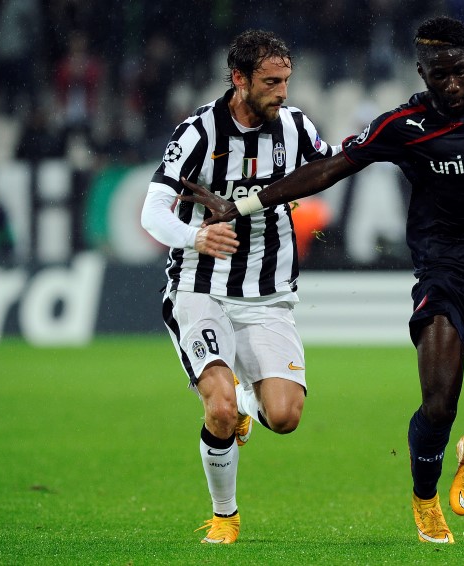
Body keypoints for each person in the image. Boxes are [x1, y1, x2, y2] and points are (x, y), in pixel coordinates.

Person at [180, 16, 464, 544]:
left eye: (458, 71)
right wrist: (241, 204)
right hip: (443, 275)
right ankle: (425, 499)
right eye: (437, 75)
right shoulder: (403, 125)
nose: (449, 85)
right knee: (439, 401)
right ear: (421, 72)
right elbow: (328, 171)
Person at [140, 29, 338, 544]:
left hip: (268, 294)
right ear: (239, 79)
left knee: (285, 416)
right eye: (271, 82)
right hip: (200, 287)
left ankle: (248, 405)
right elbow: (152, 211)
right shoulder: (199, 134)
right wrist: (195, 236)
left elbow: (327, 167)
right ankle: (225, 516)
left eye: (286, 81)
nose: (282, 92)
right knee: (220, 407)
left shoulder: (294, 127)